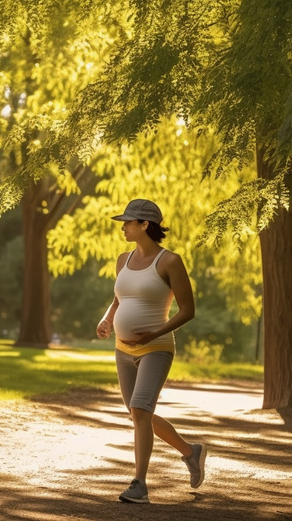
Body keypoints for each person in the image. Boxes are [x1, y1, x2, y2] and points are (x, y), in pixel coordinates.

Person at [96, 199, 208, 504]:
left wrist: (155, 332)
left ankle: (140, 484)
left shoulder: (170, 261)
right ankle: (190, 451)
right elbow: (119, 299)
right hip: (122, 350)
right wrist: (107, 319)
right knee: (137, 413)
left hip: (156, 348)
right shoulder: (123, 259)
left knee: (141, 410)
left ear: (145, 225)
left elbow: (188, 310)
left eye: (128, 222)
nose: (123, 227)